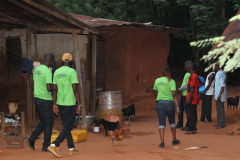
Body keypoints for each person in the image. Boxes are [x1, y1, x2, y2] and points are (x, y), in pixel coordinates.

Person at [47, 53, 82, 158]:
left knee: (66, 126)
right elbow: (75, 88)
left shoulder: (57, 72)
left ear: (62, 61)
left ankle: (71, 148)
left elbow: (54, 89)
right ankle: (54, 144)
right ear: (71, 62)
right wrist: (79, 104)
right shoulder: (72, 71)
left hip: (60, 103)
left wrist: (54, 104)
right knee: (68, 126)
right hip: (69, 103)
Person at [26, 53, 55, 152]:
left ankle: (32, 139)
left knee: (44, 121)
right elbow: (48, 88)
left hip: (37, 98)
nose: (53, 63)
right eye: (53, 61)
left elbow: (34, 84)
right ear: (50, 61)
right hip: (46, 100)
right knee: (49, 123)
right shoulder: (47, 71)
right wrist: (54, 87)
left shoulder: (36, 69)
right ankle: (46, 146)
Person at [153, 65, 180, 148]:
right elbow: (174, 95)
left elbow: (155, 91)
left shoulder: (157, 80)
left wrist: (158, 99)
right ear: (168, 73)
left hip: (159, 103)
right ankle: (174, 140)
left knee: (161, 122)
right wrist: (177, 107)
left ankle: (162, 142)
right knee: (172, 121)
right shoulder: (172, 81)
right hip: (169, 103)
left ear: (164, 72)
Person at [176, 60, 191, 130]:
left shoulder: (189, 74)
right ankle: (180, 123)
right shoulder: (187, 74)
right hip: (183, 94)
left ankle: (188, 125)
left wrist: (180, 89)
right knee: (180, 109)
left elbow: (187, 84)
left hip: (186, 95)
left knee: (187, 110)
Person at [185, 62, 199, 134]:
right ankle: (194, 128)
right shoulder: (195, 75)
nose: (185, 69)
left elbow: (192, 88)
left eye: (186, 67)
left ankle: (191, 129)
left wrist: (189, 99)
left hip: (192, 98)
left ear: (188, 67)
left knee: (191, 114)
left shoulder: (193, 76)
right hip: (194, 97)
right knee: (193, 113)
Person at [214, 63, 226, 129]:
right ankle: (219, 123)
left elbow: (223, 85)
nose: (214, 67)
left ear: (218, 66)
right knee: (218, 109)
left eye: (215, 66)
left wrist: (219, 95)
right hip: (217, 95)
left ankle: (221, 124)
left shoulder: (221, 74)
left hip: (220, 95)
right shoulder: (218, 73)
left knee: (220, 109)